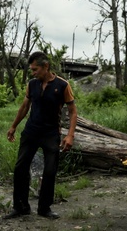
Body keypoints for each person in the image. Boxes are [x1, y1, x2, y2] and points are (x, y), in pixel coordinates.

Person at [4, 51, 77, 220]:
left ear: (46, 67)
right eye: (32, 69)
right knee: (20, 168)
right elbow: (24, 107)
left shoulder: (63, 85)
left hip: (51, 133)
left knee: (50, 170)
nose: (33, 72)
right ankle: (21, 207)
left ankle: (44, 208)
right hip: (31, 131)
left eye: (35, 69)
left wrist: (70, 135)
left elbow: (73, 112)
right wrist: (13, 126)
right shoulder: (32, 84)